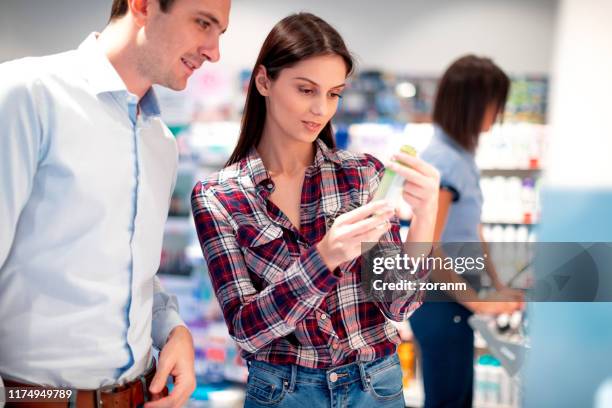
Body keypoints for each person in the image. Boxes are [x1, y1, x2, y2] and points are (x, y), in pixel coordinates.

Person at [191, 12, 440, 408]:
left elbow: (399, 303)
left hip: (375, 385)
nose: (321, 109)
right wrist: (325, 257)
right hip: (283, 391)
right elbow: (247, 330)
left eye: (333, 93)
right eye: (306, 89)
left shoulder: (362, 175)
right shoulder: (220, 196)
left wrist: (425, 216)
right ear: (263, 81)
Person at [0, 0, 230, 407]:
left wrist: (173, 330)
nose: (213, 51)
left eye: (219, 33)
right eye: (202, 24)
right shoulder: (27, 95)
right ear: (142, 5)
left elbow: (130, 270)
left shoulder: (159, 141)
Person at [408, 55, 524, 408]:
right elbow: (428, 246)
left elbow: (474, 230)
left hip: (456, 300)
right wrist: (478, 300)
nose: (497, 113)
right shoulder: (443, 160)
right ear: (473, 104)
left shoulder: (461, 154)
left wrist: (496, 285)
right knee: (448, 399)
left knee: (459, 396)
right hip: (441, 302)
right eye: (494, 104)